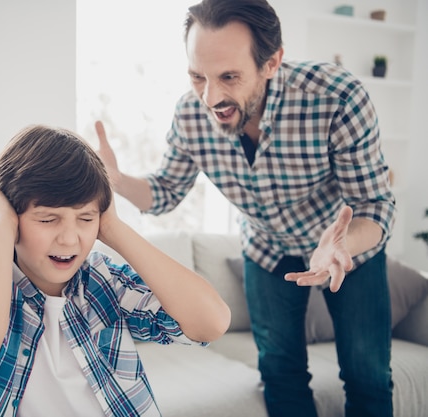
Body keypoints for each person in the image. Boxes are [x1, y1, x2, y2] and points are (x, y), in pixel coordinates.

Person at [94, 0, 396, 416]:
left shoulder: (335, 97)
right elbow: (164, 192)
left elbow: (374, 205)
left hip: (348, 249)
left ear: (272, 63)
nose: (211, 97)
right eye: (198, 76)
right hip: (267, 252)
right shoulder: (190, 117)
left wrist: (341, 245)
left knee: (368, 375)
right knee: (280, 373)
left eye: (229, 77)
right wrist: (118, 182)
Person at [0, 124, 231, 417]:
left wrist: (113, 227)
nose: (70, 239)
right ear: (11, 214)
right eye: (47, 220)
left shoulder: (103, 280)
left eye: (85, 219)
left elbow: (212, 322)